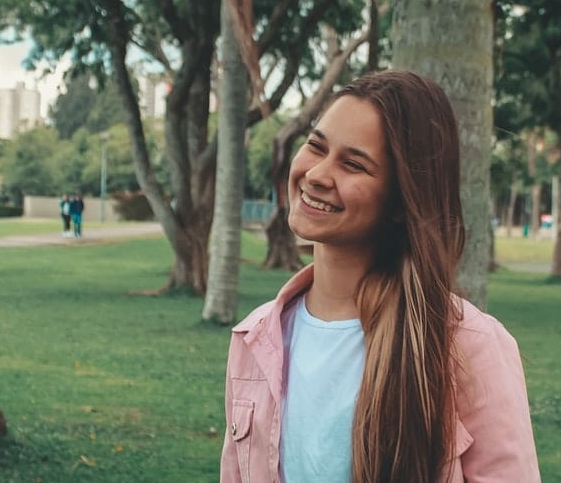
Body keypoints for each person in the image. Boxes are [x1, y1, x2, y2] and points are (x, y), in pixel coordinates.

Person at [220, 71, 540, 483]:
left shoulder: (467, 346)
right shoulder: (255, 339)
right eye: (316, 146)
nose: (317, 174)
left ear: (399, 200)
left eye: (353, 164)